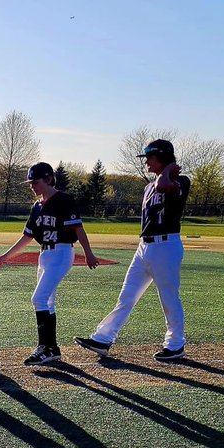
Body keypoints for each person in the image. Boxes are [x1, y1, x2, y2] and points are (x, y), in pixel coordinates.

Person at [76, 139, 191, 361]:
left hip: (166, 245)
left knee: (168, 297)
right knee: (127, 294)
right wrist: (164, 171)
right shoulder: (149, 186)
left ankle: (175, 344)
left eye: (150, 157)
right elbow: (156, 186)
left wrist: (168, 170)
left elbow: (164, 187)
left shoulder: (180, 180)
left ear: (162, 157)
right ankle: (103, 338)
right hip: (144, 246)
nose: (146, 162)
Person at [0, 162, 99, 365]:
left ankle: (45, 347)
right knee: (47, 301)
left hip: (61, 252)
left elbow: (78, 229)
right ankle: (52, 349)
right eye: (30, 182)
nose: (32, 186)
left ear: (49, 179)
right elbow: (27, 236)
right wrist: (6, 255)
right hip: (45, 255)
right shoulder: (37, 206)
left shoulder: (63, 200)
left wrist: (89, 253)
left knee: (39, 298)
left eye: (36, 182)